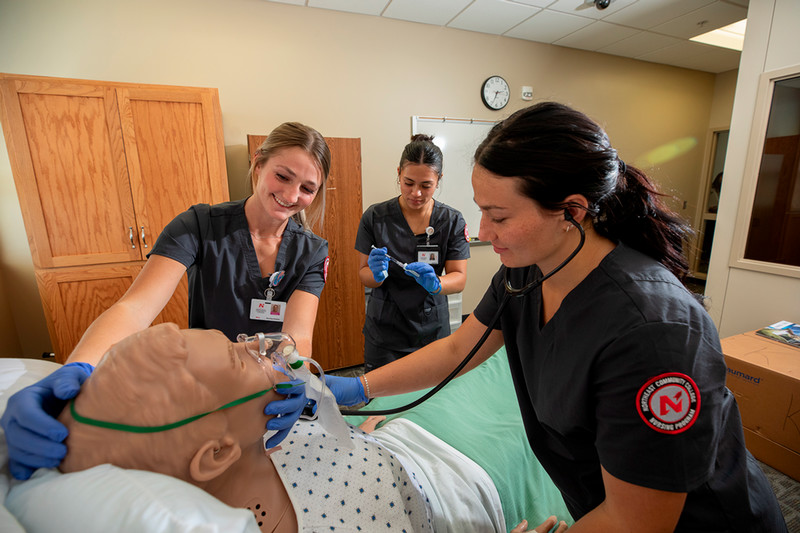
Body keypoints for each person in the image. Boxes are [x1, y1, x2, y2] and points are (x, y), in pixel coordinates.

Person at [330, 102, 788, 532]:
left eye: (498, 216)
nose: (483, 232)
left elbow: (638, 521)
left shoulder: (655, 331)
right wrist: (360, 388)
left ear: (571, 210)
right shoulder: (524, 273)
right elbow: (457, 348)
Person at [0, 122, 331, 479]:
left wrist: (295, 380)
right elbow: (135, 308)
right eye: (283, 176)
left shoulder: (311, 251)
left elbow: (298, 339)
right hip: (201, 385)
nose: (292, 195)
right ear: (258, 163)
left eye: (308, 188)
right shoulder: (198, 225)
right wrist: (79, 367)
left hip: (266, 390)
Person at [55, 323, 566, 533]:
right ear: (214, 454)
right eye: (240, 360)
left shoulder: (258, 436)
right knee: (545, 385)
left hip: (401, 429)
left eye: (240, 339)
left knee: (514, 356)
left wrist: (339, 403)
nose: (263, 346)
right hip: (462, 479)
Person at [356, 134, 470, 370]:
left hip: (431, 330)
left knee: (431, 400)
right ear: (399, 173)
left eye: (426, 185)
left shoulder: (451, 220)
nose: (416, 193)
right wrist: (375, 275)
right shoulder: (375, 217)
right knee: (382, 401)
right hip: (385, 331)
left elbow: (459, 277)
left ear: (438, 180)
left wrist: (437, 283)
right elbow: (363, 273)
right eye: (408, 183)